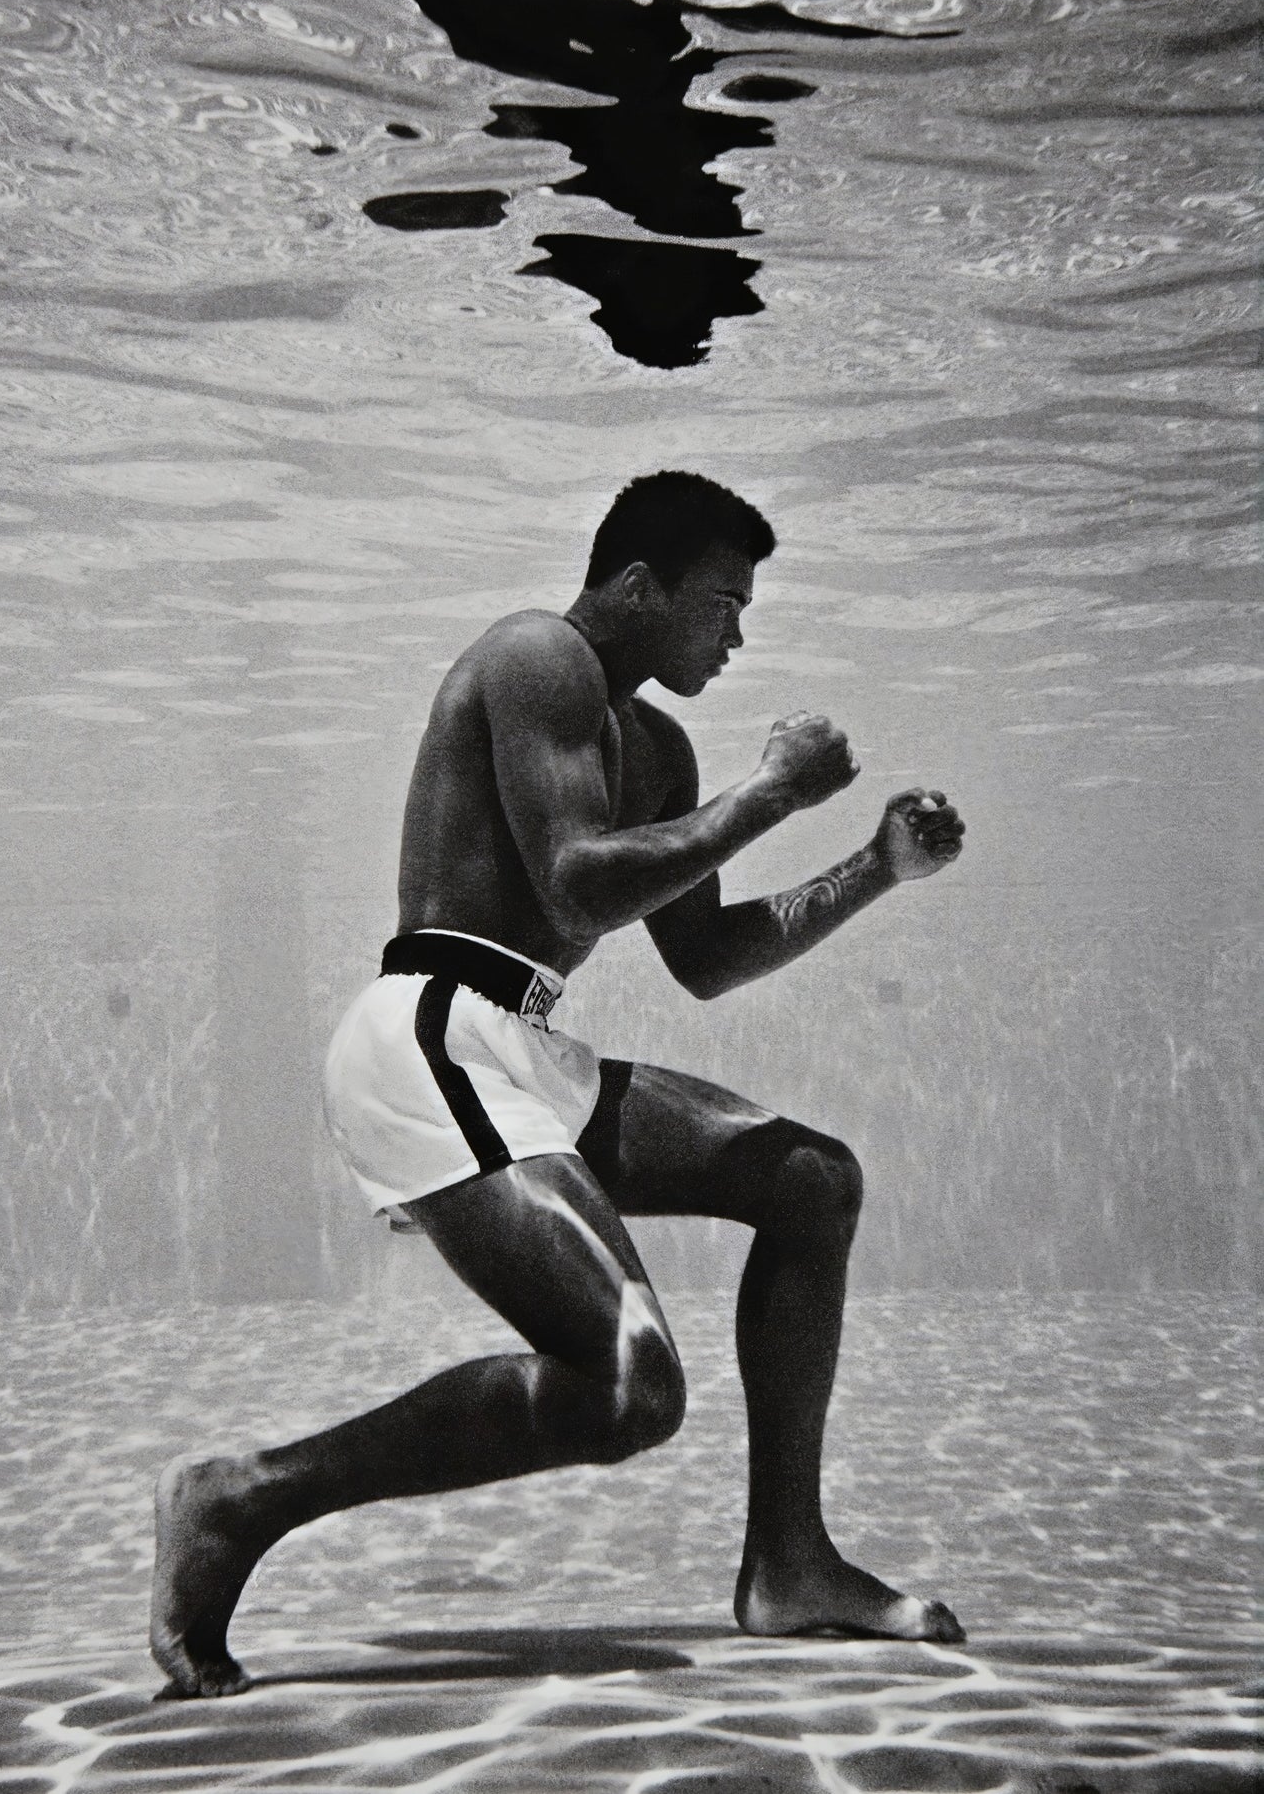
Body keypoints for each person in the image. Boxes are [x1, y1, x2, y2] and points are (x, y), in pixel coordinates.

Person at [150, 469, 967, 1698]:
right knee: (630, 1386)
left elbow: (701, 957)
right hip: (427, 1032)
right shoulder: (537, 656)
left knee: (810, 1181)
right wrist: (771, 791)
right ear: (637, 585)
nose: (736, 633)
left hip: (525, 1046)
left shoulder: (658, 746)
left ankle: (789, 1563)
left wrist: (871, 866)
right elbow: (578, 882)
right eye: (719, 603)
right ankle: (241, 1497)